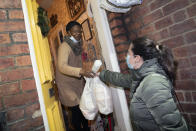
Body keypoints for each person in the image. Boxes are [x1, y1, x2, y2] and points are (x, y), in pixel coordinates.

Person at [98, 37, 189, 131]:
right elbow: (120, 79)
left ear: (137, 58)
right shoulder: (141, 77)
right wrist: (101, 74)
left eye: (128, 53)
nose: (126, 57)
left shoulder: (153, 83)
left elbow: (173, 127)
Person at [56, 21, 94, 131]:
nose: (78, 34)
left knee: (82, 110)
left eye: (80, 31)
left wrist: (86, 73)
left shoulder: (77, 45)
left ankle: (85, 128)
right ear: (68, 32)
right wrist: (81, 71)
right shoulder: (64, 46)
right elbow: (62, 66)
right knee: (77, 110)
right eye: (75, 32)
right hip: (67, 86)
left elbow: (76, 63)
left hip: (76, 82)